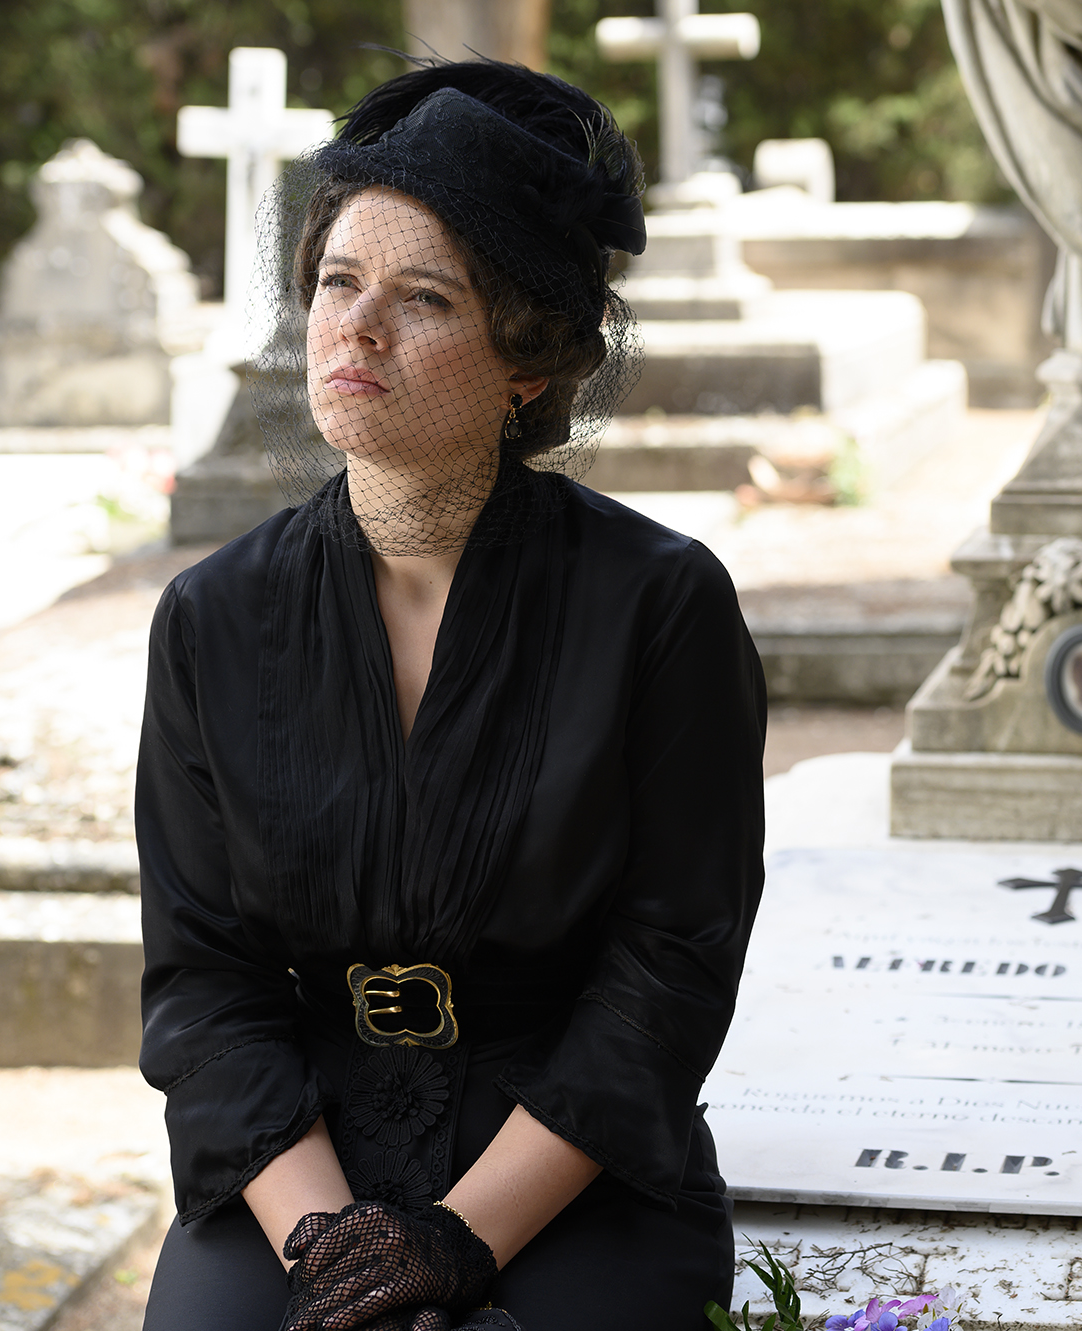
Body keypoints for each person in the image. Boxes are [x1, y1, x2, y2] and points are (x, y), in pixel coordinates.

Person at [134, 57, 767, 1331]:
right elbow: (205, 982)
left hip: (570, 1154)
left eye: (422, 297)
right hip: (297, 1149)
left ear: (528, 361)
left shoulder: (659, 605)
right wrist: (330, 1248)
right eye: (337, 282)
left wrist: (456, 1236)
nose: (356, 328)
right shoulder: (213, 618)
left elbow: (669, 967)